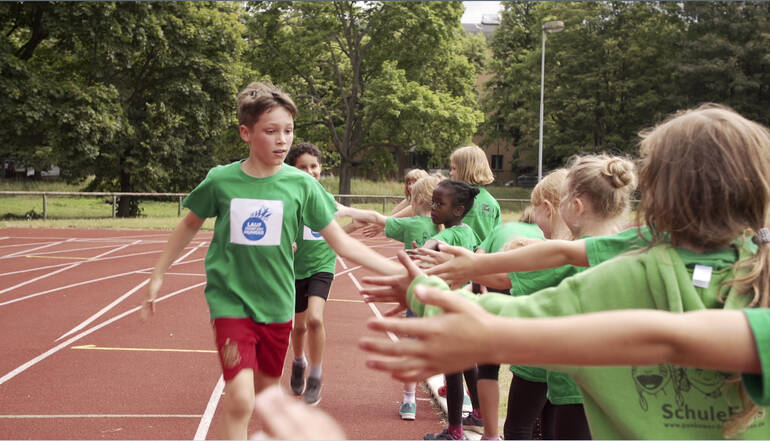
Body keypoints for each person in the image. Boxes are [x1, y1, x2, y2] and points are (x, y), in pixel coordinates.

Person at [359, 103, 770, 439]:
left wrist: (425, 292)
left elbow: (517, 314)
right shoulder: (756, 273)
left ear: (659, 192)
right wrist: (471, 267)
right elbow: (562, 255)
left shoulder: (619, 277)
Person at [140, 81, 403, 440]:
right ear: (246, 133)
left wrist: (402, 272)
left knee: (266, 400)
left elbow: (341, 242)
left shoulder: (302, 185)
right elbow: (188, 223)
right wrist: (158, 274)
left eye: (289, 131)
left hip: (278, 304)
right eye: (271, 131)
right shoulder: (221, 180)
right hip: (230, 302)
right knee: (241, 398)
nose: (283, 140)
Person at [336, 174, 441, 420]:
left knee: (411, 345)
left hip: (415, 294)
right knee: (444, 344)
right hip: (442, 294)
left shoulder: (412, 225)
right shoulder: (454, 230)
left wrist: (343, 210)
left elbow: (375, 217)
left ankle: (409, 400)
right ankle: (462, 394)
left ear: (414, 200)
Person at [420, 179, 481, 441]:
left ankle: (455, 432)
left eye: (439, 203)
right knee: (468, 363)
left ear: (457, 210)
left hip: (452, 308)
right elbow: (479, 250)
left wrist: (419, 254)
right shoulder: (468, 231)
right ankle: (478, 412)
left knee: (452, 369)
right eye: (432, 202)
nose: (433, 207)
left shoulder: (449, 234)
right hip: (468, 306)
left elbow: (429, 247)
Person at [284, 142, 335, 405]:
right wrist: (287, 243)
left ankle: (315, 375)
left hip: (322, 267)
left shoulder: (326, 199)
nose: (310, 171)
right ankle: (299, 360)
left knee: (315, 320)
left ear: (320, 168)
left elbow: (336, 231)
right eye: (302, 167)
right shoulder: (289, 199)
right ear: (292, 170)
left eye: (314, 166)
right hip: (295, 269)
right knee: (299, 325)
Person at [448, 145, 501, 243]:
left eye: (454, 168)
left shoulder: (453, 199)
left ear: (466, 171)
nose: (450, 173)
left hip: (456, 255)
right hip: (483, 256)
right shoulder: (493, 202)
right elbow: (497, 236)